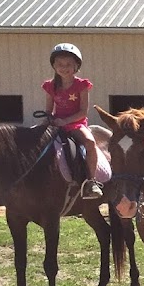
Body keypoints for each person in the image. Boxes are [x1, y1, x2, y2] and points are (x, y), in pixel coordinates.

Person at [43, 43, 102, 199]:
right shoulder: (50, 86)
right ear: (54, 66)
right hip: (56, 123)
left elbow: (83, 112)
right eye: (60, 64)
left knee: (90, 142)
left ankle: (91, 181)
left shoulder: (81, 85)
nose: (64, 68)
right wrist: (49, 120)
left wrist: (65, 121)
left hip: (76, 123)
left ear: (76, 65)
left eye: (68, 64)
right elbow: (49, 110)